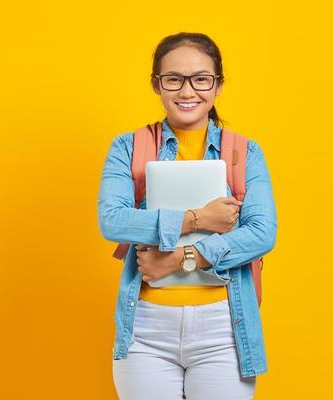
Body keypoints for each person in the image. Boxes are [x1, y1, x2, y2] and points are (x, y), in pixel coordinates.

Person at [98, 32, 277, 400]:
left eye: (201, 79)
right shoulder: (127, 147)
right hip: (146, 329)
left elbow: (262, 233)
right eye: (173, 79)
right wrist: (197, 219)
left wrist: (181, 258)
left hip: (223, 328)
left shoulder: (245, 152)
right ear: (157, 84)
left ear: (217, 85)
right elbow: (112, 220)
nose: (187, 91)